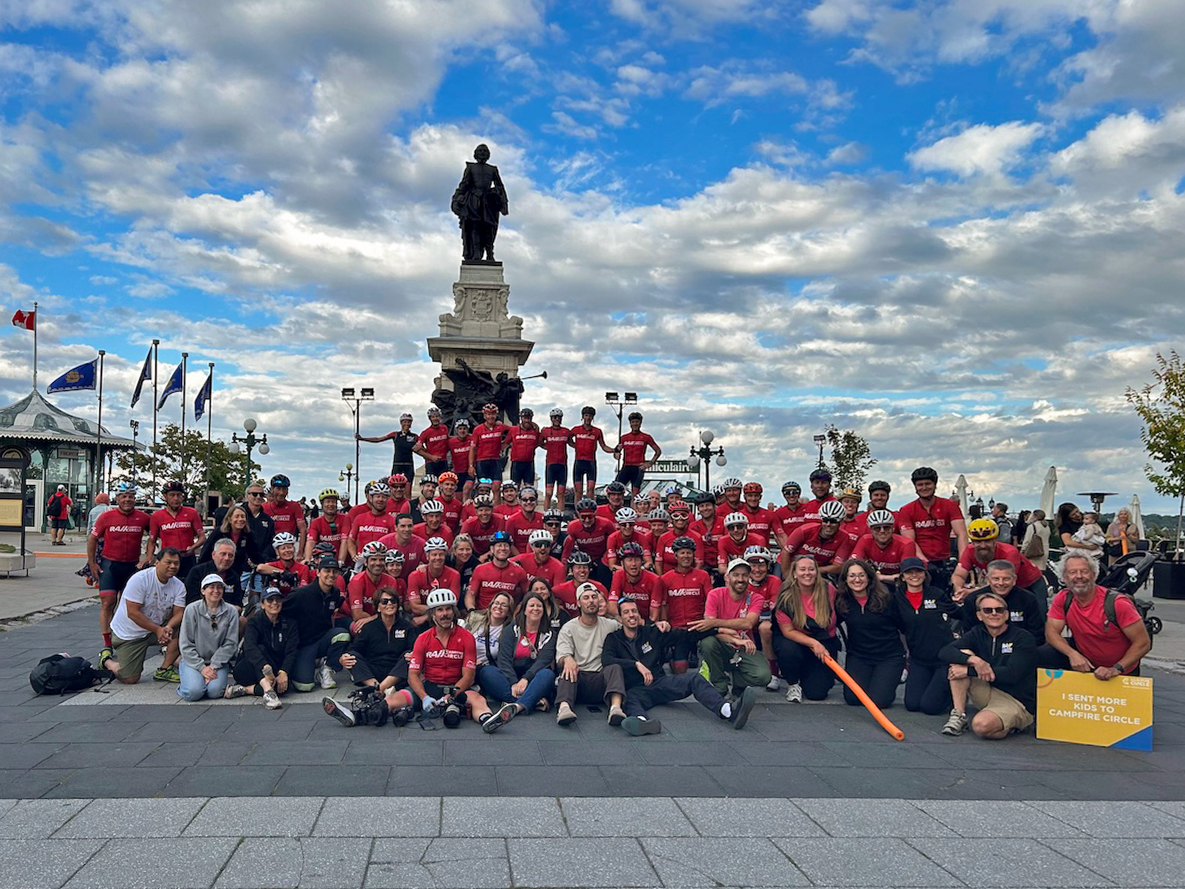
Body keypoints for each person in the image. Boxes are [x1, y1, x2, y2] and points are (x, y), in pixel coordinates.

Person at [603, 598, 756, 736]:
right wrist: (636, 665)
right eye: (626, 612)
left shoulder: (652, 632)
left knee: (694, 678)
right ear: (620, 617)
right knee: (629, 699)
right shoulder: (613, 638)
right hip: (635, 689)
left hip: (659, 683)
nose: (631, 615)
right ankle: (642, 722)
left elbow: (686, 635)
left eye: (634, 611)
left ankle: (728, 711)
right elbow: (607, 660)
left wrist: (717, 629)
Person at [939, 590, 1038, 739]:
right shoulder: (977, 632)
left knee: (981, 726)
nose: (994, 613)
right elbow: (945, 651)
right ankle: (958, 715)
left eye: (999, 610)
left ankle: (1014, 725)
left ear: (1006, 614)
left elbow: (1012, 674)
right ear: (979, 615)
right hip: (988, 691)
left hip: (1016, 700)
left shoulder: (1023, 637)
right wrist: (975, 661)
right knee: (961, 657)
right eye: (987, 610)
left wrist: (969, 672)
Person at [1039, 553, 1152, 679]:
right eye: (1072, 572)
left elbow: (1143, 643)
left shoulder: (1117, 603)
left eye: (1084, 571)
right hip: (1087, 661)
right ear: (1065, 577)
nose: (1079, 576)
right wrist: (1072, 654)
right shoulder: (1064, 597)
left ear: (1094, 575)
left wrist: (1116, 668)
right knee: (1042, 654)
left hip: (1121, 669)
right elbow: (1051, 633)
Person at [322, 586, 421, 727]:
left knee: (409, 656)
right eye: (384, 601)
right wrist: (342, 658)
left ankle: (378, 691)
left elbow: (415, 650)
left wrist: (413, 655)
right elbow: (354, 649)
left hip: (397, 674)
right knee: (352, 656)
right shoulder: (369, 628)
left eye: (393, 601)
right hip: (373, 671)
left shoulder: (407, 627)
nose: (389, 604)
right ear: (378, 607)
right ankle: (379, 688)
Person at [406, 589, 495, 728]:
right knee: (396, 698)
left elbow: (469, 676)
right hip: (430, 686)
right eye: (440, 610)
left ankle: (488, 720)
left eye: (448, 609)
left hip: (458, 686)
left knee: (477, 699)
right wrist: (424, 697)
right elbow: (412, 675)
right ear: (433, 614)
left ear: (454, 612)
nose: (445, 614)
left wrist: (450, 697)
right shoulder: (422, 638)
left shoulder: (467, 637)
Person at [96, 549, 186, 685]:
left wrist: (168, 627)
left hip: (156, 627)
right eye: (168, 562)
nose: (173, 566)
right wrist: (158, 630)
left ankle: (164, 669)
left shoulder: (178, 585)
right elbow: (132, 613)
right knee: (130, 678)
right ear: (157, 563)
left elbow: (179, 613)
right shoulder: (140, 579)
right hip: (129, 633)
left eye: (176, 563)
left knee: (185, 626)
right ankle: (106, 661)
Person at [691, 559, 772, 696]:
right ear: (727, 577)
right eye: (736, 575)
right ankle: (720, 685)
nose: (740, 579)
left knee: (764, 676)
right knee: (707, 642)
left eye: (745, 575)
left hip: (744, 647)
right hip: (724, 643)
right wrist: (734, 638)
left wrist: (715, 622)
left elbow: (748, 623)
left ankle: (739, 682)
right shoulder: (715, 594)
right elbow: (709, 629)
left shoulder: (756, 598)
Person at [481, 592, 559, 732]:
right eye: (532, 605)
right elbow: (503, 659)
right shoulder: (511, 629)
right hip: (510, 677)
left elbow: (543, 661)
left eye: (539, 606)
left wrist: (525, 679)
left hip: (534, 677)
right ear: (524, 610)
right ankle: (531, 701)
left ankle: (516, 707)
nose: (535, 609)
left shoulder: (550, 634)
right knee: (487, 672)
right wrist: (513, 682)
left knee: (547, 674)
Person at [834, 559, 905, 709]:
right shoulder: (842, 601)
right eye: (852, 576)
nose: (857, 580)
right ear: (845, 579)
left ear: (869, 577)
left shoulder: (886, 598)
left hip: (888, 656)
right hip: (859, 656)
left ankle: (888, 681)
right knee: (853, 699)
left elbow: (904, 627)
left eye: (861, 575)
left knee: (879, 701)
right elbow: (829, 624)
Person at [553, 582, 627, 726]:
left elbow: (631, 631)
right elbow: (561, 655)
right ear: (578, 603)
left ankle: (616, 708)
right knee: (568, 669)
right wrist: (567, 659)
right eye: (586, 598)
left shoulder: (610, 625)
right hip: (578, 679)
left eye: (594, 597)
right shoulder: (569, 628)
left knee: (615, 667)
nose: (591, 601)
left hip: (602, 680)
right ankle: (564, 709)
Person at [88, 482, 151, 649]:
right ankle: (107, 643)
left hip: (132, 566)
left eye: (131, 497)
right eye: (124, 496)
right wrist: (92, 563)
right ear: (117, 499)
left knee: (131, 605)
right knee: (108, 603)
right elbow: (92, 539)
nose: (127, 500)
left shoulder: (143, 517)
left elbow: (154, 536)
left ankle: (126, 638)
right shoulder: (106, 517)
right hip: (110, 565)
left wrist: (149, 557)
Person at [893, 557, 958, 715]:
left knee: (930, 708)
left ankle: (953, 694)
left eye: (918, 571)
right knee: (912, 704)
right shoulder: (896, 598)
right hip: (919, 659)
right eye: (909, 572)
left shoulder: (937, 594)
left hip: (943, 658)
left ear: (925, 575)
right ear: (903, 576)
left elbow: (959, 614)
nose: (914, 575)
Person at [772, 555, 840, 702]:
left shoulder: (829, 589)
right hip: (796, 641)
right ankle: (793, 682)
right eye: (802, 569)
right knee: (787, 649)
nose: (807, 573)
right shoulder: (786, 597)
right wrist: (814, 643)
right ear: (795, 573)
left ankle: (812, 674)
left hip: (825, 640)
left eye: (811, 569)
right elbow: (787, 631)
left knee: (817, 694)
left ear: (817, 571)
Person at [285, 555, 351, 692]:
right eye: (327, 570)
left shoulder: (335, 593)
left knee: (343, 634)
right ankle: (297, 667)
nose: (331, 575)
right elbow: (281, 612)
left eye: (335, 571)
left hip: (321, 639)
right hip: (302, 644)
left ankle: (327, 669)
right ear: (318, 572)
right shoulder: (301, 594)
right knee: (305, 686)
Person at [898, 466, 967, 590]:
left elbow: (961, 534)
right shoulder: (906, 510)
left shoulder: (950, 506)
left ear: (935, 485)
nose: (924, 488)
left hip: (945, 558)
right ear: (915, 488)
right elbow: (909, 541)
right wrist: (925, 562)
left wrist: (963, 562)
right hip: (920, 561)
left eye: (928, 484)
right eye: (920, 485)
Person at [225, 585, 294, 709]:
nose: (274, 603)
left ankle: (246, 690)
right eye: (270, 600)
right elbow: (250, 647)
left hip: (274, 668)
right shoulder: (254, 622)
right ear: (262, 604)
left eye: (278, 600)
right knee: (260, 648)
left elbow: (292, 650)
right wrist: (264, 667)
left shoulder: (289, 623)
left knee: (285, 686)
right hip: (249, 667)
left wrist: (284, 672)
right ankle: (268, 691)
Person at [951, 518, 1047, 603]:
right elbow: (959, 575)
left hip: (1031, 584)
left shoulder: (1009, 552)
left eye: (987, 541)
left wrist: (970, 593)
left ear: (995, 540)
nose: (983, 545)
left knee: (1038, 618)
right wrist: (958, 590)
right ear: (972, 541)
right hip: (1001, 585)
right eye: (978, 541)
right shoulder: (969, 550)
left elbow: (1003, 583)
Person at [177, 573, 240, 702]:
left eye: (219, 587)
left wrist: (213, 666)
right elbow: (186, 643)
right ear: (203, 590)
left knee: (215, 692)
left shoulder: (231, 611)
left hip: (218, 662)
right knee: (193, 693)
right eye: (211, 587)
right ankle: (187, 683)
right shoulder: (191, 609)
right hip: (194, 660)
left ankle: (200, 681)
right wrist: (202, 668)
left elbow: (231, 643)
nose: (216, 591)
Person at [954, 559, 1045, 640]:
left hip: (1020, 648)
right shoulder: (973, 599)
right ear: (988, 580)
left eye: (1006, 579)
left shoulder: (1028, 599)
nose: (1001, 583)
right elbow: (968, 633)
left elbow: (1037, 633)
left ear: (1014, 580)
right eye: (996, 579)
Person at [451, 142, 508, 261]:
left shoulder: (492, 169)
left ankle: (490, 253)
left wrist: (502, 201)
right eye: (480, 151)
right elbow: (464, 184)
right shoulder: (470, 168)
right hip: (474, 200)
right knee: (474, 226)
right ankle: (476, 252)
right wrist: (457, 198)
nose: (482, 153)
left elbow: (500, 186)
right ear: (475, 154)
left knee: (489, 227)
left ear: (488, 155)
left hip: (489, 201)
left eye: (485, 151)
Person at [779, 500, 853, 577]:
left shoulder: (844, 537)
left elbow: (838, 567)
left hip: (818, 570)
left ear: (841, 522)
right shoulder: (804, 530)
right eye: (825, 520)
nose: (828, 524)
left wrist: (811, 571)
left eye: (833, 521)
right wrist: (786, 576)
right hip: (790, 563)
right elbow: (786, 552)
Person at [851, 509, 924, 585]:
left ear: (893, 528)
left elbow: (908, 575)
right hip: (877, 582)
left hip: (900, 583)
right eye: (877, 528)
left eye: (886, 527)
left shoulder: (906, 544)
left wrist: (881, 577)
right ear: (871, 530)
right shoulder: (865, 540)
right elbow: (852, 565)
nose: (882, 531)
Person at [466, 530, 528, 611]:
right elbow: (471, 594)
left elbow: (528, 595)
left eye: (506, 545)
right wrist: (471, 611)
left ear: (510, 549)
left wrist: (517, 612)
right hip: (483, 614)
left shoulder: (519, 571)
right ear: (492, 549)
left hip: (508, 616)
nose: (503, 548)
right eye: (499, 545)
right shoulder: (480, 569)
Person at [561, 499, 615, 587]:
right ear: (578, 515)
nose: (586, 520)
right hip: (584, 558)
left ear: (595, 514)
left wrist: (606, 558)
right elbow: (568, 549)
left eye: (590, 517)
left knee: (603, 569)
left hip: (602, 558)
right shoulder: (572, 527)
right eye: (583, 517)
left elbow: (615, 541)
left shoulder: (606, 524)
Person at [343, 482, 398, 566]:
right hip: (362, 561)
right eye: (377, 496)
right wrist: (354, 555)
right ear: (370, 498)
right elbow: (351, 540)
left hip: (381, 563)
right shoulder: (360, 518)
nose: (380, 499)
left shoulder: (391, 520)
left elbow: (394, 544)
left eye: (384, 497)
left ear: (388, 499)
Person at [569, 406, 615, 502]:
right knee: (578, 491)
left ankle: (592, 512)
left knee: (590, 490)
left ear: (593, 417)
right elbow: (567, 439)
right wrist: (575, 446)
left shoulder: (597, 431)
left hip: (591, 463)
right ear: (582, 416)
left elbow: (604, 446)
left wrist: (614, 450)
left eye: (590, 416)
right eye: (586, 415)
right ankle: (578, 513)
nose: (588, 418)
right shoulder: (576, 429)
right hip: (579, 462)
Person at [468, 591, 514, 685]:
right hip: (466, 666)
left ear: (509, 611)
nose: (499, 607)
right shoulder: (475, 619)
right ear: (491, 605)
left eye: (504, 605)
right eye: (496, 603)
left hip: (486, 671)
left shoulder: (510, 631)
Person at [185, 537, 247, 606]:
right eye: (223, 554)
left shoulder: (234, 576)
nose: (227, 558)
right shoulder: (197, 572)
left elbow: (238, 603)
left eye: (230, 555)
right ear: (213, 555)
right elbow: (191, 600)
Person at [357, 411, 418, 479]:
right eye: (405, 422)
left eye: (409, 422)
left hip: (409, 465)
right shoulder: (395, 434)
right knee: (395, 486)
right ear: (401, 423)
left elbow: (422, 448)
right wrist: (362, 439)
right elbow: (378, 439)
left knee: (408, 486)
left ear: (411, 423)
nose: (407, 424)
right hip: (397, 464)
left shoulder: (414, 436)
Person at [608, 541, 661, 618]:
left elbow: (654, 616)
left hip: (646, 621)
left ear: (642, 562)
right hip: (625, 620)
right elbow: (612, 607)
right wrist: (623, 621)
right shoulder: (618, 575)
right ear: (622, 563)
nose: (633, 564)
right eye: (629, 560)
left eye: (637, 559)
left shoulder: (654, 580)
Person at [614, 411, 661, 496]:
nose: (635, 424)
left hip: (638, 468)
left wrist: (650, 463)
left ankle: (634, 509)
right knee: (617, 490)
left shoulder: (646, 437)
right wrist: (616, 454)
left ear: (640, 423)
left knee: (635, 493)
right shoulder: (624, 438)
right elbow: (616, 452)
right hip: (626, 466)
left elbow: (658, 451)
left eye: (637, 422)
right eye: (633, 422)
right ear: (630, 423)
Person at [472, 403, 510, 496]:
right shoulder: (478, 429)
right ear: (484, 415)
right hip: (482, 462)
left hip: (495, 461)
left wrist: (505, 444)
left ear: (496, 415)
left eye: (493, 414)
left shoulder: (501, 427)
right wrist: (470, 465)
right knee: (483, 488)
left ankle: (496, 510)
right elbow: (472, 448)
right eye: (488, 414)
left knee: (496, 487)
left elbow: (514, 431)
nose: (491, 416)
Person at [263, 474, 307, 554]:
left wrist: (300, 553)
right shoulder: (264, 507)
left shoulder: (294, 506)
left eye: (284, 489)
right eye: (278, 489)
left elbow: (303, 530)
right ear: (272, 489)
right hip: (268, 549)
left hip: (288, 549)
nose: (281, 492)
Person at [541, 408, 570, 512]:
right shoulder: (546, 431)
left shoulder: (566, 431)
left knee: (561, 493)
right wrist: (547, 447)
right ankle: (546, 514)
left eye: (559, 417)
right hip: (550, 465)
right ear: (551, 419)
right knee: (548, 492)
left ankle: (560, 516)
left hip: (562, 465)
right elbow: (539, 442)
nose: (557, 419)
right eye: (555, 417)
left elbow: (572, 443)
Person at [241, 483, 276, 562]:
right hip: (240, 562)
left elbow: (271, 542)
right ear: (247, 495)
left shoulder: (268, 519)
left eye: (261, 494)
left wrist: (264, 557)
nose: (258, 497)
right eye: (254, 494)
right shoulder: (238, 515)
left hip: (262, 562)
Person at [506, 408, 541, 488]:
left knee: (529, 487)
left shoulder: (535, 431)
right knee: (515, 486)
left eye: (529, 418)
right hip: (516, 462)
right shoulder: (513, 430)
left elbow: (538, 443)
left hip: (529, 463)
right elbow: (506, 442)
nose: (527, 420)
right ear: (521, 418)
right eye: (525, 418)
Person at [505, 486, 544, 554]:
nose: (528, 502)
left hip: (539, 556)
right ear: (520, 502)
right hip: (518, 558)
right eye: (525, 500)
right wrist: (523, 559)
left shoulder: (543, 518)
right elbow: (509, 544)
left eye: (532, 499)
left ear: (536, 501)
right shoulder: (512, 520)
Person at [413, 407, 451, 477]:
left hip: (443, 461)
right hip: (431, 463)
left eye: (437, 416)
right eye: (433, 417)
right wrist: (430, 457)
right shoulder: (426, 432)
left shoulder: (444, 428)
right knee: (431, 484)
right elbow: (416, 449)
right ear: (430, 419)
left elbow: (448, 440)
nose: (435, 418)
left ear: (440, 417)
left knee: (443, 485)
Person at [773, 481, 809, 551]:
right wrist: (787, 551)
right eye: (787, 493)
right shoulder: (778, 513)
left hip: (807, 549)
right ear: (784, 495)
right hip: (789, 549)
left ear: (799, 494)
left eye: (794, 492)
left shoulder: (808, 508)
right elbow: (778, 536)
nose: (791, 495)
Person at [447, 420, 476, 501]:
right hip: (458, 472)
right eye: (460, 428)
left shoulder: (472, 439)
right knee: (458, 498)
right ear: (456, 430)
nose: (462, 431)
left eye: (464, 428)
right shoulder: (451, 441)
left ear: (467, 430)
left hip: (469, 471)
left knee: (467, 490)